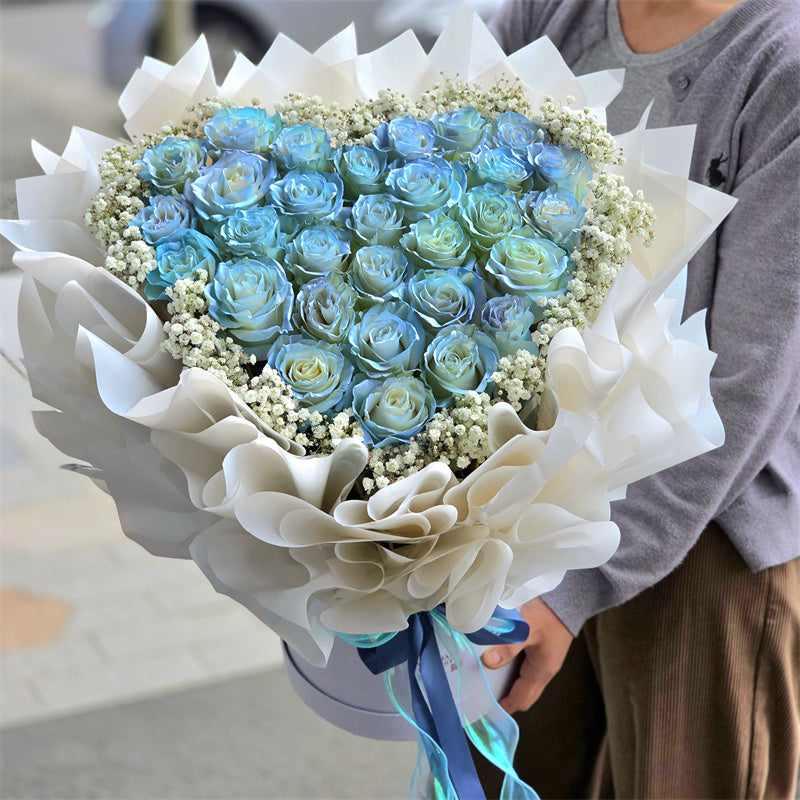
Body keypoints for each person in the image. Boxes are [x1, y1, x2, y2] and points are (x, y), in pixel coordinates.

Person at [481, 0, 800, 797]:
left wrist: (577, 584)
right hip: (531, 495)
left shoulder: (780, 64)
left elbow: (745, 382)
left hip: (705, 532)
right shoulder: (550, 18)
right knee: (506, 777)